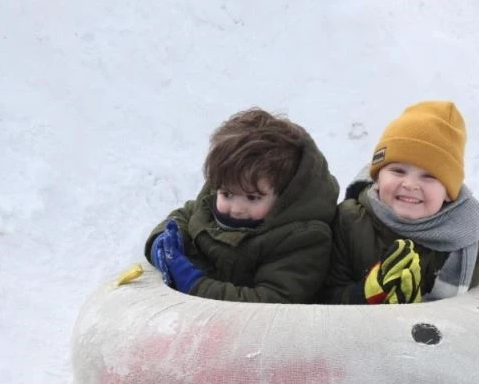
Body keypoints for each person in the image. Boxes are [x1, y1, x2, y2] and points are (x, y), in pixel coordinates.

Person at [145, 108, 339, 303]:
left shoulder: (303, 237)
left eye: (252, 198)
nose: (236, 209)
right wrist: (162, 240)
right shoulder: (211, 203)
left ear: (285, 196)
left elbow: (269, 304)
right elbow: (185, 215)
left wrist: (195, 285)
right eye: (227, 194)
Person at [322, 100, 479, 305]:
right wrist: (365, 294)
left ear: (449, 193)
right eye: (398, 171)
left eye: (429, 176)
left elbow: (471, 311)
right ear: (377, 177)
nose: (410, 184)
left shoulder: (466, 245)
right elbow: (324, 294)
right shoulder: (349, 220)